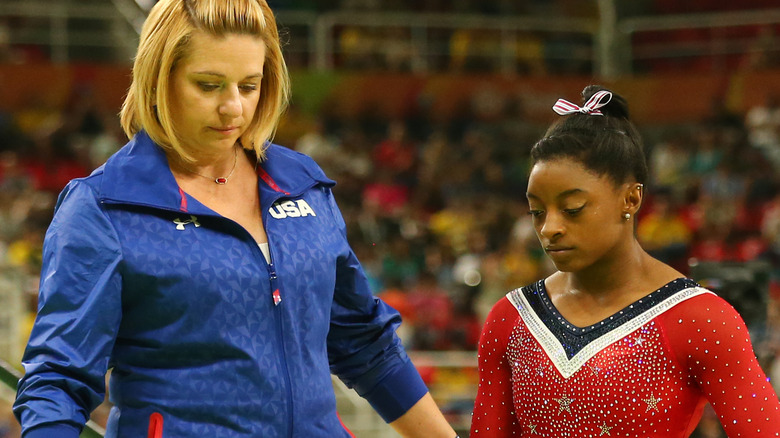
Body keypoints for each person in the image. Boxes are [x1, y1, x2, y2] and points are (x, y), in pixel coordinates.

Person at [12, 1, 458, 437]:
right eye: (208, 85)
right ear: (157, 81)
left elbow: (366, 345)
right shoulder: (103, 207)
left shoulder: (302, 184)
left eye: (249, 85)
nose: (233, 108)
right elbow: (58, 381)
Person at [470, 85, 780, 437]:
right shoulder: (510, 319)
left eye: (572, 209)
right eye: (536, 211)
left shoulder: (701, 318)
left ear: (631, 198)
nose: (549, 228)